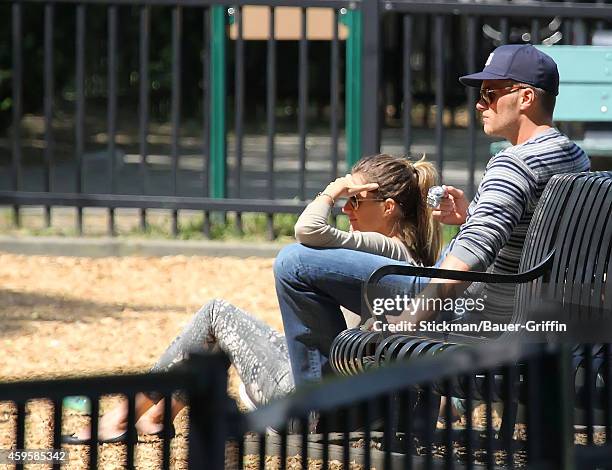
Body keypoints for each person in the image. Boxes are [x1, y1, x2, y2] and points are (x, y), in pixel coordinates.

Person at [62, 153, 441, 443]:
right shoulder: (412, 255)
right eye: (346, 199)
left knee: (217, 314)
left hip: (317, 408)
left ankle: (122, 419)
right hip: (359, 400)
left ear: (388, 208)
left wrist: (330, 191)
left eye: (355, 200)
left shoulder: (383, 248)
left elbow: (307, 230)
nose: (346, 208)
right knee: (238, 329)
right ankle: (158, 418)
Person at [274, 44, 590, 388]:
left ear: (526, 97)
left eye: (490, 94)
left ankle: (324, 401)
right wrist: (472, 215)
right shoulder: (574, 157)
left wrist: (408, 322)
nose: (479, 104)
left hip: (473, 311)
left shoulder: (513, 164)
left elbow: (470, 260)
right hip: (527, 307)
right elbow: (540, 236)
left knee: (294, 263)